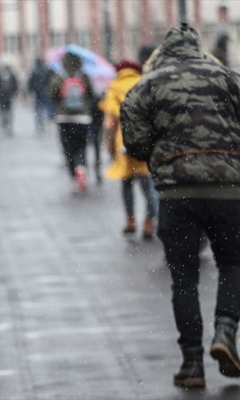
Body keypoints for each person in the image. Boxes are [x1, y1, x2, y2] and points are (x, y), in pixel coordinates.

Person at [121, 23, 240, 389]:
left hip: (176, 194)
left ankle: (191, 364)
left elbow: (136, 146)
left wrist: (166, 147)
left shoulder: (147, 85)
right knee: (233, 262)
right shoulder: (229, 78)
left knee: (184, 279)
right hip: (228, 190)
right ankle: (225, 331)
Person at [98, 59, 157, 239]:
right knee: (148, 185)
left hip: (123, 141)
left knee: (127, 183)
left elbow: (109, 122)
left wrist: (108, 146)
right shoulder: (145, 84)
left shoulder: (114, 87)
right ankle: (149, 221)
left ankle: (130, 220)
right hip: (145, 139)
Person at [46, 51, 95, 193]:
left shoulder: (59, 75)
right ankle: (81, 167)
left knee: (68, 147)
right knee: (81, 146)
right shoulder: (84, 75)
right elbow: (91, 94)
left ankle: (74, 175)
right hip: (82, 118)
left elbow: (51, 94)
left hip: (64, 118)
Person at [27, 57, 52, 135]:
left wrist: (31, 90)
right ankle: (43, 124)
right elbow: (49, 82)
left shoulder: (34, 71)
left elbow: (30, 83)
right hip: (44, 93)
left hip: (37, 93)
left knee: (38, 110)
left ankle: (38, 125)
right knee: (44, 109)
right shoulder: (45, 70)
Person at [0, 61, 19, 137]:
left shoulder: (0, 74)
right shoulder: (10, 74)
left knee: (4, 112)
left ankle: (6, 127)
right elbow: (15, 84)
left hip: (4, 96)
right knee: (6, 112)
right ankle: (7, 127)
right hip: (5, 96)